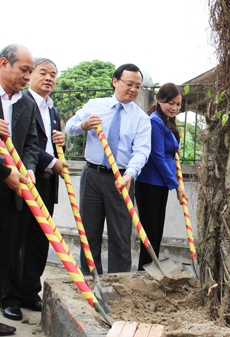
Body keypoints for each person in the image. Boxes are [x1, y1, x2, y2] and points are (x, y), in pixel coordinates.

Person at [65, 63, 151, 275]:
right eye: (129, 84)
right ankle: (91, 280)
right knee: (89, 232)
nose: (133, 89)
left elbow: (141, 152)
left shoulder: (141, 119)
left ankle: (118, 282)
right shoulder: (95, 105)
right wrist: (83, 125)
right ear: (115, 81)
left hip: (121, 179)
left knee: (121, 235)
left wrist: (129, 175)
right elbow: (70, 127)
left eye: (138, 86)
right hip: (92, 175)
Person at [1, 58, 67, 321]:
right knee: (14, 241)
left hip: (38, 180)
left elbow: (30, 143)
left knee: (38, 241)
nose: (46, 78)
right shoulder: (20, 100)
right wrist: (48, 161)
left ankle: (30, 292)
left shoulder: (50, 110)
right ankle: (11, 297)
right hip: (13, 178)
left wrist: (34, 164)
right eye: (38, 72)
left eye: (53, 74)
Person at [0, 44, 39, 336]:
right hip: (3, 177)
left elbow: (31, 144)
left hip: (14, 191)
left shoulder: (26, 104)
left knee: (6, 251)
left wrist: (27, 168)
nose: (28, 77)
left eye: (30, 71)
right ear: (4, 64)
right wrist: (4, 172)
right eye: (23, 70)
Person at [135, 83, 187, 271]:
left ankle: (151, 268)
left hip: (161, 184)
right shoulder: (155, 121)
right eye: (170, 103)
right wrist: (176, 185)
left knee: (157, 231)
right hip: (149, 184)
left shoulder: (166, 122)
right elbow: (157, 156)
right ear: (159, 100)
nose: (174, 107)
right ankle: (144, 270)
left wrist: (174, 147)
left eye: (178, 104)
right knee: (149, 233)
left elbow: (168, 150)